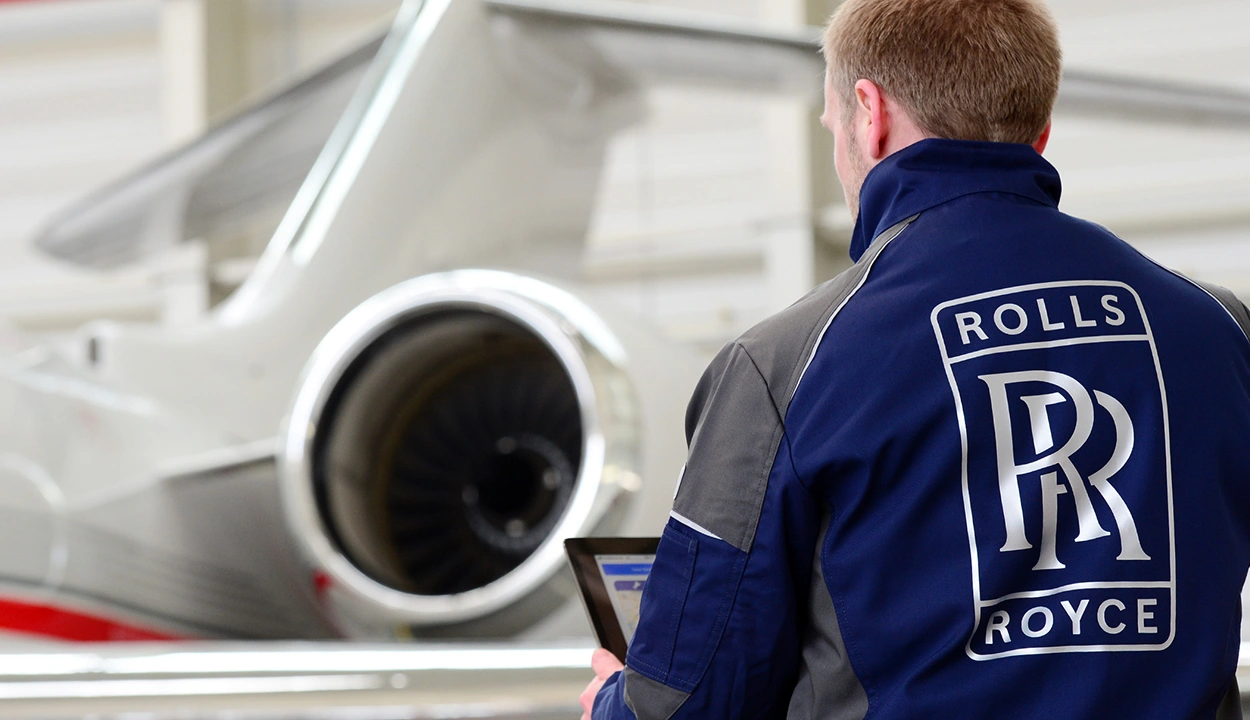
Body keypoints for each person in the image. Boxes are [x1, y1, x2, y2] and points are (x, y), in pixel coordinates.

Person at [581, 0, 1250, 717]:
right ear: (1040, 132)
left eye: (833, 124)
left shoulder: (787, 365)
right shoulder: (1219, 329)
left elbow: (693, 701)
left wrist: (611, 704)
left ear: (868, 115)